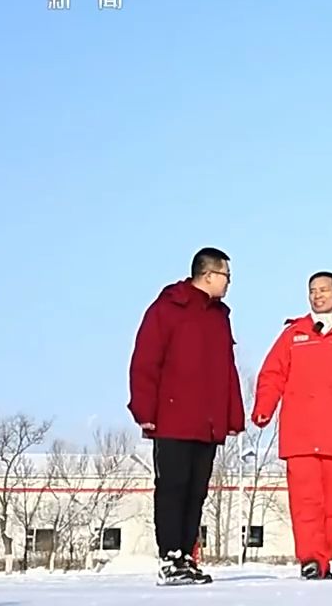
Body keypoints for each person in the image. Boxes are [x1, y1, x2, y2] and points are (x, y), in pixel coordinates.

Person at [127, 247, 246, 586]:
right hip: (173, 417)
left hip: (207, 421)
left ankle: (187, 556)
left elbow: (227, 369)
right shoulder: (168, 308)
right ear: (208, 275)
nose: (229, 283)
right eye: (226, 276)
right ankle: (170, 557)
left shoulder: (219, 316)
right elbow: (146, 359)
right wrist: (144, 409)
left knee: (197, 491)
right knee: (172, 487)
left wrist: (233, 415)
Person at [251, 271, 332, 580]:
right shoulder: (294, 333)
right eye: (312, 290)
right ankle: (309, 558)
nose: (317, 295)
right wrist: (264, 408)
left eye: (324, 289)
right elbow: (272, 373)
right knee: (305, 502)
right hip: (300, 434)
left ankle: (323, 559)